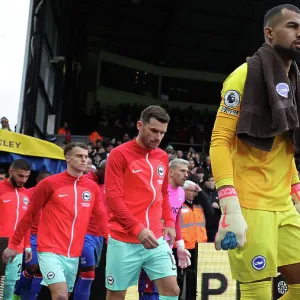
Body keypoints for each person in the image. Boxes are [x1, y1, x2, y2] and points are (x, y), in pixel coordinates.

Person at [210, 4, 300, 299]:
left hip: (283, 203)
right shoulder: (244, 76)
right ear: (269, 33)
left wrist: (296, 189)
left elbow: (285, 145)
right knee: (258, 295)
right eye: (292, 26)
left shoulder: (293, 82)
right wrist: (229, 203)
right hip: (249, 204)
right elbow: (220, 141)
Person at [2, 142, 108, 300]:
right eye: (79, 156)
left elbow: (101, 217)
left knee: (52, 294)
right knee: (61, 295)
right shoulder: (49, 184)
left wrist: (111, 240)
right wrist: (13, 244)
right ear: (68, 158)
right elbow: (29, 215)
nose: (84, 160)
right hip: (50, 250)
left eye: (86, 156)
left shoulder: (92, 188)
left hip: (73, 253)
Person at [105, 105, 180, 300]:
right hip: (124, 240)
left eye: (162, 133)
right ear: (140, 125)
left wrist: (170, 223)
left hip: (155, 238)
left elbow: (162, 193)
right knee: (116, 295)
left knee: (172, 290)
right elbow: (112, 198)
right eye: (154, 131)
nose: (158, 137)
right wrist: (137, 229)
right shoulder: (119, 154)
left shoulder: (163, 156)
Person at [138, 158, 191, 300]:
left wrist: (180, 246)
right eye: (182, 171)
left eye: (187, 171)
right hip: (151, 242)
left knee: (168, 288)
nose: (186, 174)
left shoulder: (181, 192)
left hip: (167, 245)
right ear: (171, 172)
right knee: (150, 288)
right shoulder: (157, 189)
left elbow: (176, 221)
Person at [12, 170, 52, 300]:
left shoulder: (53, 195)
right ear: (38, 180)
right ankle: (16, 293)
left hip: (48, 237)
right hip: (31, 236)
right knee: (34, 266)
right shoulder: (28, 193)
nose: (47, 183)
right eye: (44, 180)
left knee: (41, 270)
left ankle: (26, 296)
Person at [74, 159, 108, 300]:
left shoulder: (110, 184)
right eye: (108, 173)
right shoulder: (85, 182)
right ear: (99, 169)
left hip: (100, 235)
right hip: (84, 233)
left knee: (90, 274)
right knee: (88, 273)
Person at [0, 159, 32, 300]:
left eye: (26, 176)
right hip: (1, 244)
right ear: (10, 172)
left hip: (17, 248)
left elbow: (25, 223)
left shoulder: (26, 194)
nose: (23, 180)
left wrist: (28, 246)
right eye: (20, 176)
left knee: (9, 286)